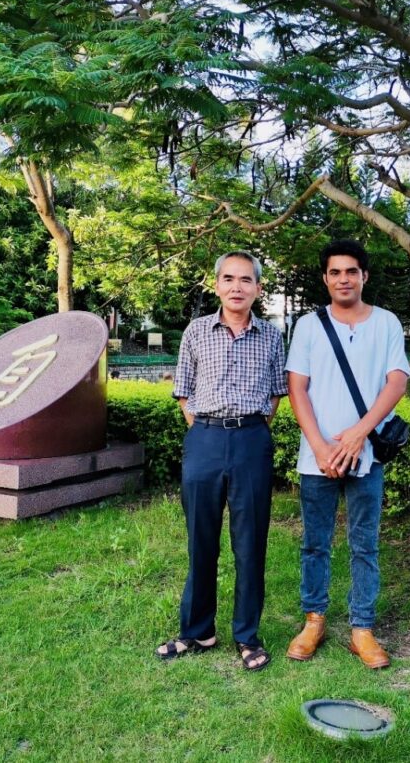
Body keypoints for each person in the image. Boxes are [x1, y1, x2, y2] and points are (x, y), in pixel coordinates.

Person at [155, 251, 287, 671]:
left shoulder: (271, 335)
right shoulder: (196, 331)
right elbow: (183, 391)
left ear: (258, 289)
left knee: (250, 543)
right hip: (204, 441)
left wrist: (249, 428)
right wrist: (206, 429)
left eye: (246, 280)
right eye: (228, 279)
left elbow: (276, 394)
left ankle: (247, 636)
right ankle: (197, 631)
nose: (237, 287)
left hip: (251, 440)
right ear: (216, 285)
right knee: (201, 539)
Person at [284, 239, 410, 669]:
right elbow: (296, 386)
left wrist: (358, 435)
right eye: (335, 272)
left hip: (367, 454)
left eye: (351, 271)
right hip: (316, 457)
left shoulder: (387, 323)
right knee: (315, 544)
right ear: (325, 278)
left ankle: (362, 629)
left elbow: (396, 381)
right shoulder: (308, 325)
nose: (343, 279)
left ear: (364, 276)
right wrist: (320, 445)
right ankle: (314, 620)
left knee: (364, 544)